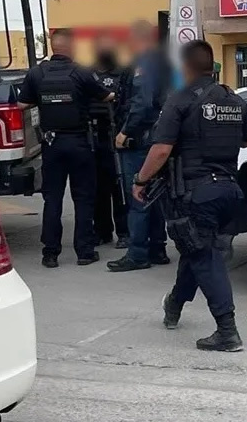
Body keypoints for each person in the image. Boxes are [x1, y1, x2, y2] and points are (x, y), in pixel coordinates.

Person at [132, 40, 247, 352]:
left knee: (204, 256)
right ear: (211, 65)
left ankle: (227, 331)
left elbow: (161, 149)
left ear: (185, 67)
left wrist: (140, 180)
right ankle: (174, 305)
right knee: (196, 248)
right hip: (230, 191)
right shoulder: (234, 99)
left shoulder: (180, 100)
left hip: (196, 194)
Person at [18, 29, 114, 269]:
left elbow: (21, 103)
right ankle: (85, 252)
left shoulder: (36, 73)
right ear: (71, 47)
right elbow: (106, 96)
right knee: (83, 198)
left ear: (52, 46)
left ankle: (50, 254)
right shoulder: (81, 72)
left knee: (53, 200)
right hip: (80, 143)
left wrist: (44, 100)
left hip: (52, 144)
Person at [107, 21, 170, 272]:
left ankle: (137, 254)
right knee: (152, 195)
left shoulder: (144, 64)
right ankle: (157, 249)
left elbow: (142, 103)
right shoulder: (160, 62)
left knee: (137, 195)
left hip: (139, 139)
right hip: (153, 138)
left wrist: (124, 132)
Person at [90, 33, 130, 249]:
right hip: (93, 135)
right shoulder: (88, 74)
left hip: (116, 135)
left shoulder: (123, 73)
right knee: (98, 188)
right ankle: (102, 231)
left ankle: (124, 232)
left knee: (119, 186)